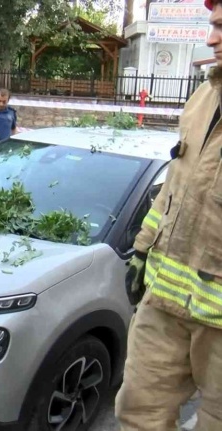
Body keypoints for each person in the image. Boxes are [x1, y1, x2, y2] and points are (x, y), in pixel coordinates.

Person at [114, 1, 222, 429]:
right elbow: (173, 189)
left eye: (221, 28)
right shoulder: (201, 100)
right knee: (138, 410)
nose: (211, 38)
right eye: (213, 26)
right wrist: (141, 250)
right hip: (163, 302)